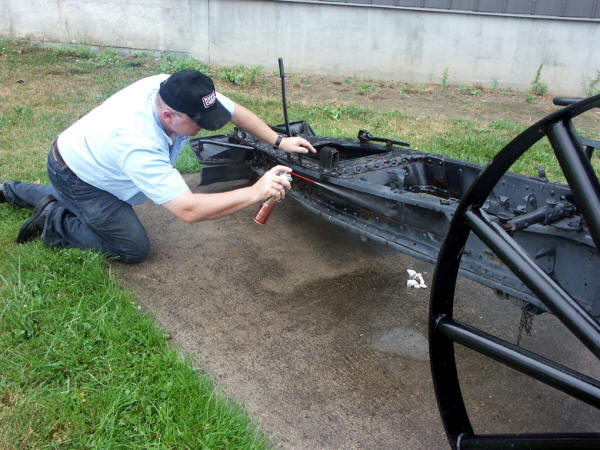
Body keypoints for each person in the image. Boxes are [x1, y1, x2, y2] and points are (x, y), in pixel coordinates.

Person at [0, 69, 316, 263]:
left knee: (79, 197)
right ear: (169, 117)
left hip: (85, 160)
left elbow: (235, 111)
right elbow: (188, 210)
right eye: (200, 124)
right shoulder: (138, 142)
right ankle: (54, 220)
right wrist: (255, 192)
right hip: (78, 177)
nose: (208, 128)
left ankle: (13, 191)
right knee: (132, 248)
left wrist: (279, 141)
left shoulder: (177, 90)